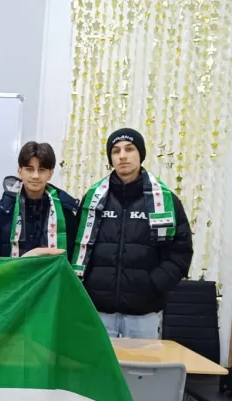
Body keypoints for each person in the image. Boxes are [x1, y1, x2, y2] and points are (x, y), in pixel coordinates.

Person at [73, 128, 193, 339]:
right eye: (116, 151)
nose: (122, 156)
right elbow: (76, 247)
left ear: (141, 154)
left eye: (129, 149)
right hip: (98, 311)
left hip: (144, 313)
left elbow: (180, 252)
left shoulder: (165, 200)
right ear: (110, 158)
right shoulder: (92, 199)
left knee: (142, 362)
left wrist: (153, 284)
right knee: (98, 362)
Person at [0, 142, 79, 260]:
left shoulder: (66, 213)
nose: (35, 176)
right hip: (10, 272)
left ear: (50, 174)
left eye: (42, 170)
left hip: (51, 273)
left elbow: (71, 259)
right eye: (29, 169)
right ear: (20, 171)